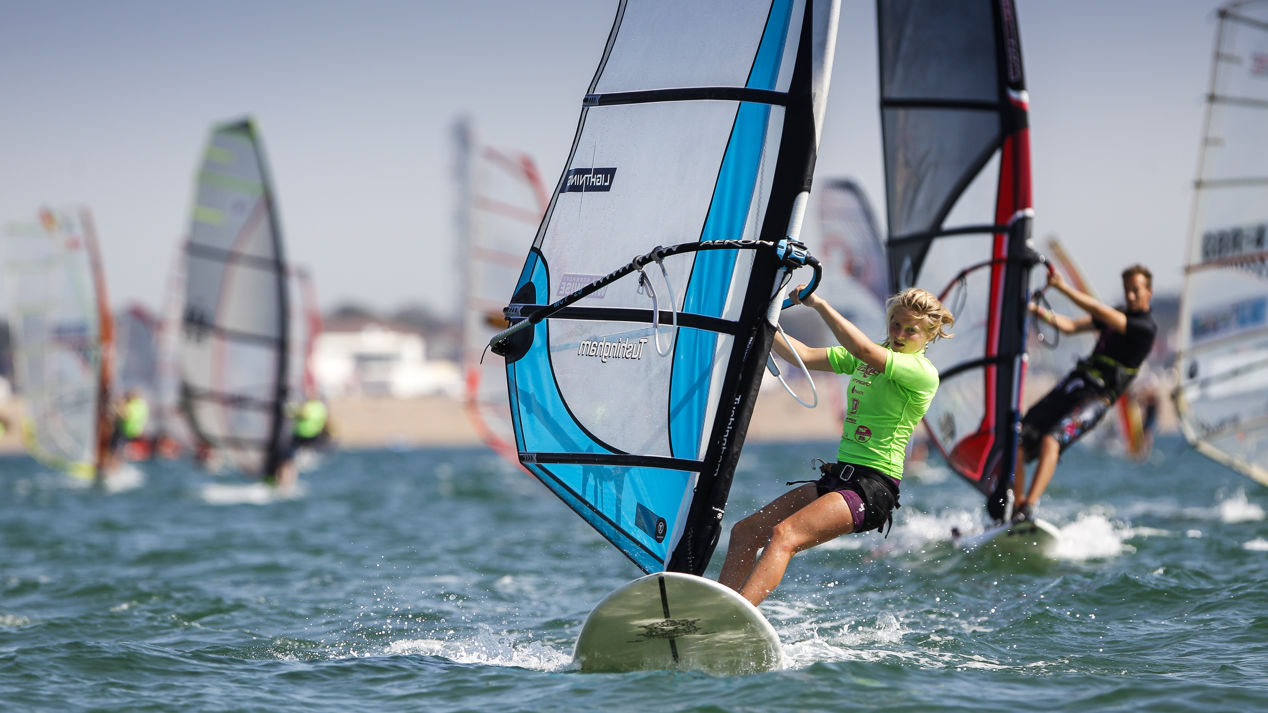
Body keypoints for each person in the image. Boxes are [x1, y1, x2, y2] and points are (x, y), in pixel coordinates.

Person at [718, 286, 954, 606]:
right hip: (840, 477)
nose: (899, 334)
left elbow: (864, 349)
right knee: (745, 532)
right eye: (895, 324)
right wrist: (762, 322)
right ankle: (718, 608)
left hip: (872, 487)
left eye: (910, 330)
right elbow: (802, 355)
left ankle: (737, 616)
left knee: (784, 536)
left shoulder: (921, 372)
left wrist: (819, 304)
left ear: (928, 335)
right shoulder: (865, 361)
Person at [1011, 264, 1156, 523]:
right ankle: (1015, 507)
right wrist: (1036, 310)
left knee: (1051, 440)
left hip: (1097, 398)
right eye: (1127, 290)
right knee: (1018, 438)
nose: (1130, 295)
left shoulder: (1145, 327)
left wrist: (1061, 287)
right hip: (1075, 384)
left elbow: (1098, 310)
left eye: (1136, 290)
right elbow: (1068, 326)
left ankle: (1028, 508)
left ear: (1149, 292)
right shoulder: (1118, 314)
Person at [270, 392, 331, 488]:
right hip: (303, 437)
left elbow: (303, 414)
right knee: (288, 461)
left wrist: (287, 409)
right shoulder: (318, 406)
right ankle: (285, 482)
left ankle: (285, 483)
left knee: (287, 460)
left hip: (304, 437)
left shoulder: (316, 406)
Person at [106, 389, 149, 472]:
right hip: (133, 431)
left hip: (125, 431)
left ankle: (113, 470)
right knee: (119, 451)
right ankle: (115, 469)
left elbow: (125, 416)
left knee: (115, 451)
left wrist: (117, 406)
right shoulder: (142, 405)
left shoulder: (133, 405)